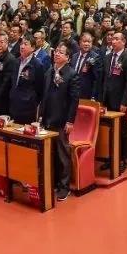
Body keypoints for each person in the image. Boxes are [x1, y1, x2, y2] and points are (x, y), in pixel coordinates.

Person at [39, 43, 80, 202]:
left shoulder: (71, 74)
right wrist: (41, 115)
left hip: (62, 119)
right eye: (56, 51)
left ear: (68, 58)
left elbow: (74, 100)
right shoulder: (49, 71)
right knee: (51, 152)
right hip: (48, 118)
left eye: (61, 53)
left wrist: (70, 121)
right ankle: (55, 181)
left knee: (63, 154)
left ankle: (64, 186)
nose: (56, 54)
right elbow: (44, 96)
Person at [98, 31, 127, 173]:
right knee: (109, 130)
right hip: (107, 99)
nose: (113, 41)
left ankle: (123, 159)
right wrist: (101, 100)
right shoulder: (108, 57)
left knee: (122, 131)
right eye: (112, 39)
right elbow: (103, 79)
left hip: (120, 101)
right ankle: (111, 158)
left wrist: (125, 102)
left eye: (116, 39)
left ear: (123, 42)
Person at [9, 38, 45, 125]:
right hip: (13, 104)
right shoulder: (16, 61)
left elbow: (39, 88)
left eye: (25, 44)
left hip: (27, 108)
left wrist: (31, 100)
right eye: (21, 44)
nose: (22, 46)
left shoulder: (37, 65)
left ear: (33, 48)